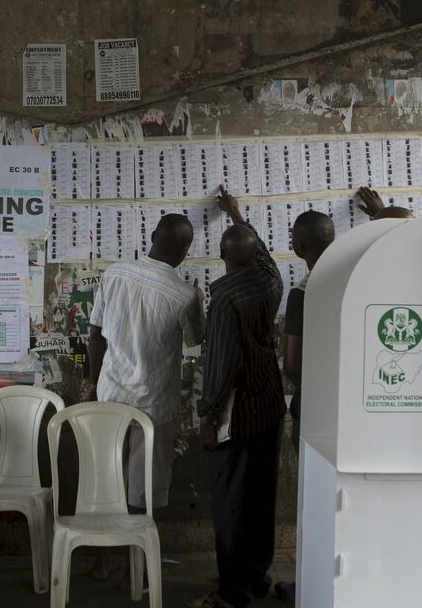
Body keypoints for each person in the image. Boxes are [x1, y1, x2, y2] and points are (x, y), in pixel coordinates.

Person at [88, 212, 205, 578]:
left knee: (105, 478)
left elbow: (95, 336)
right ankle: (138, 563)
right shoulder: (185, 295)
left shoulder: (115, 274)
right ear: (185, 252)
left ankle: (103, 559)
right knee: (145, 488)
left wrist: (94, 384)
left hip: (110, 395)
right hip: (155, 404)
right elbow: (196, 339)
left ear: (152, 235)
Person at [191, 187, 284, 608]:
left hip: (237, 412)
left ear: (223, 257)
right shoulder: (272, 278)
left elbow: (222, 365)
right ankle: (255, 575)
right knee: (261, 494)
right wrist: (236, 214)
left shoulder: (225, 297)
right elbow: (260, 252)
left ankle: (231, 593)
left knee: (230, 499)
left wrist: (208, 413)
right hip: (269, 404)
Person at [273, 211, 336, 604]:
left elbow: (292, 364)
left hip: (315, 407)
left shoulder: (304, 290)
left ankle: (310, 583)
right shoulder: (355, 276)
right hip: (358, 409)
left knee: (314, 500)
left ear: (298, 247)